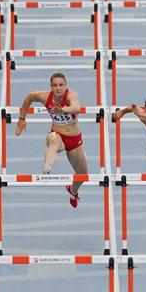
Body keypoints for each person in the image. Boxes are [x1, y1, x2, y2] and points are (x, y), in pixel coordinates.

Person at [15, 72, 89, 208]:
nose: (58, 88)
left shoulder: (71, 96)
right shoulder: (45, 96)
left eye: (61, 85)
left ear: (66, 86)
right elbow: (29, 97)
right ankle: (47, 166)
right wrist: (22, 118)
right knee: (54, 141)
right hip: (57, 134)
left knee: (83, 175)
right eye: (55, 85)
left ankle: (73, 191)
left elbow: (76, 107)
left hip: (74, 139)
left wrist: (64, 110)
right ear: (51, 86)